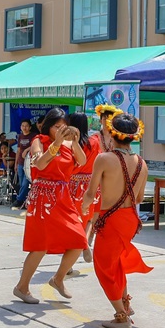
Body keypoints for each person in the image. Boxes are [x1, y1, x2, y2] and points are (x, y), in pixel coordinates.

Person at [82, 112, 152, 328]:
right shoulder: (142, 163)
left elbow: (91, 192)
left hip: (110, 218)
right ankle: (125, 303)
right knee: (117, 262)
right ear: (134, 136)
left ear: (112, 133)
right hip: (129, 218)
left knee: (104, 265)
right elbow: (139, 198)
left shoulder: (104, 158)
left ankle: (121, 317)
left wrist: (83, 210)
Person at [13, 108, 88, 304]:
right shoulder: (40, 140)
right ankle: (22, 287)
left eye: (64, 127)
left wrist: (75, 141)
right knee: (40, 246)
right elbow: (40, 164)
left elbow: (83, 161)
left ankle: (58, 278)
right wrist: (55, 144)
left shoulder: (69, 143)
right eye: (57, 127)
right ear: (49, 126)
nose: (61, 130)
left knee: (79, 240)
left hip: (63, 197)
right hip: (43, 197)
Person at [67, 111, 103, 264]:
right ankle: (86, 242)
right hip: (90, 184)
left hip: (72, 183)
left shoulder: (69, 143)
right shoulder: (94, 142)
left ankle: (69, 261)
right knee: (89, 219)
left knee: (71, 220)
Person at [11, 119, 35, 209]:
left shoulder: (33, 136)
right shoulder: (20, 136)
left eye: (26, 126)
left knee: (26, 183)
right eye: (22, 126)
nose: (24, 127)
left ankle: (19, 200)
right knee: (21, 184)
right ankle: (23, 201)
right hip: (21, 162)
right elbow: (18, 150)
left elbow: (34, 145)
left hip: (29, 163)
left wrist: (27, 149)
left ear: (30, 127)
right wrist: (16, 163)